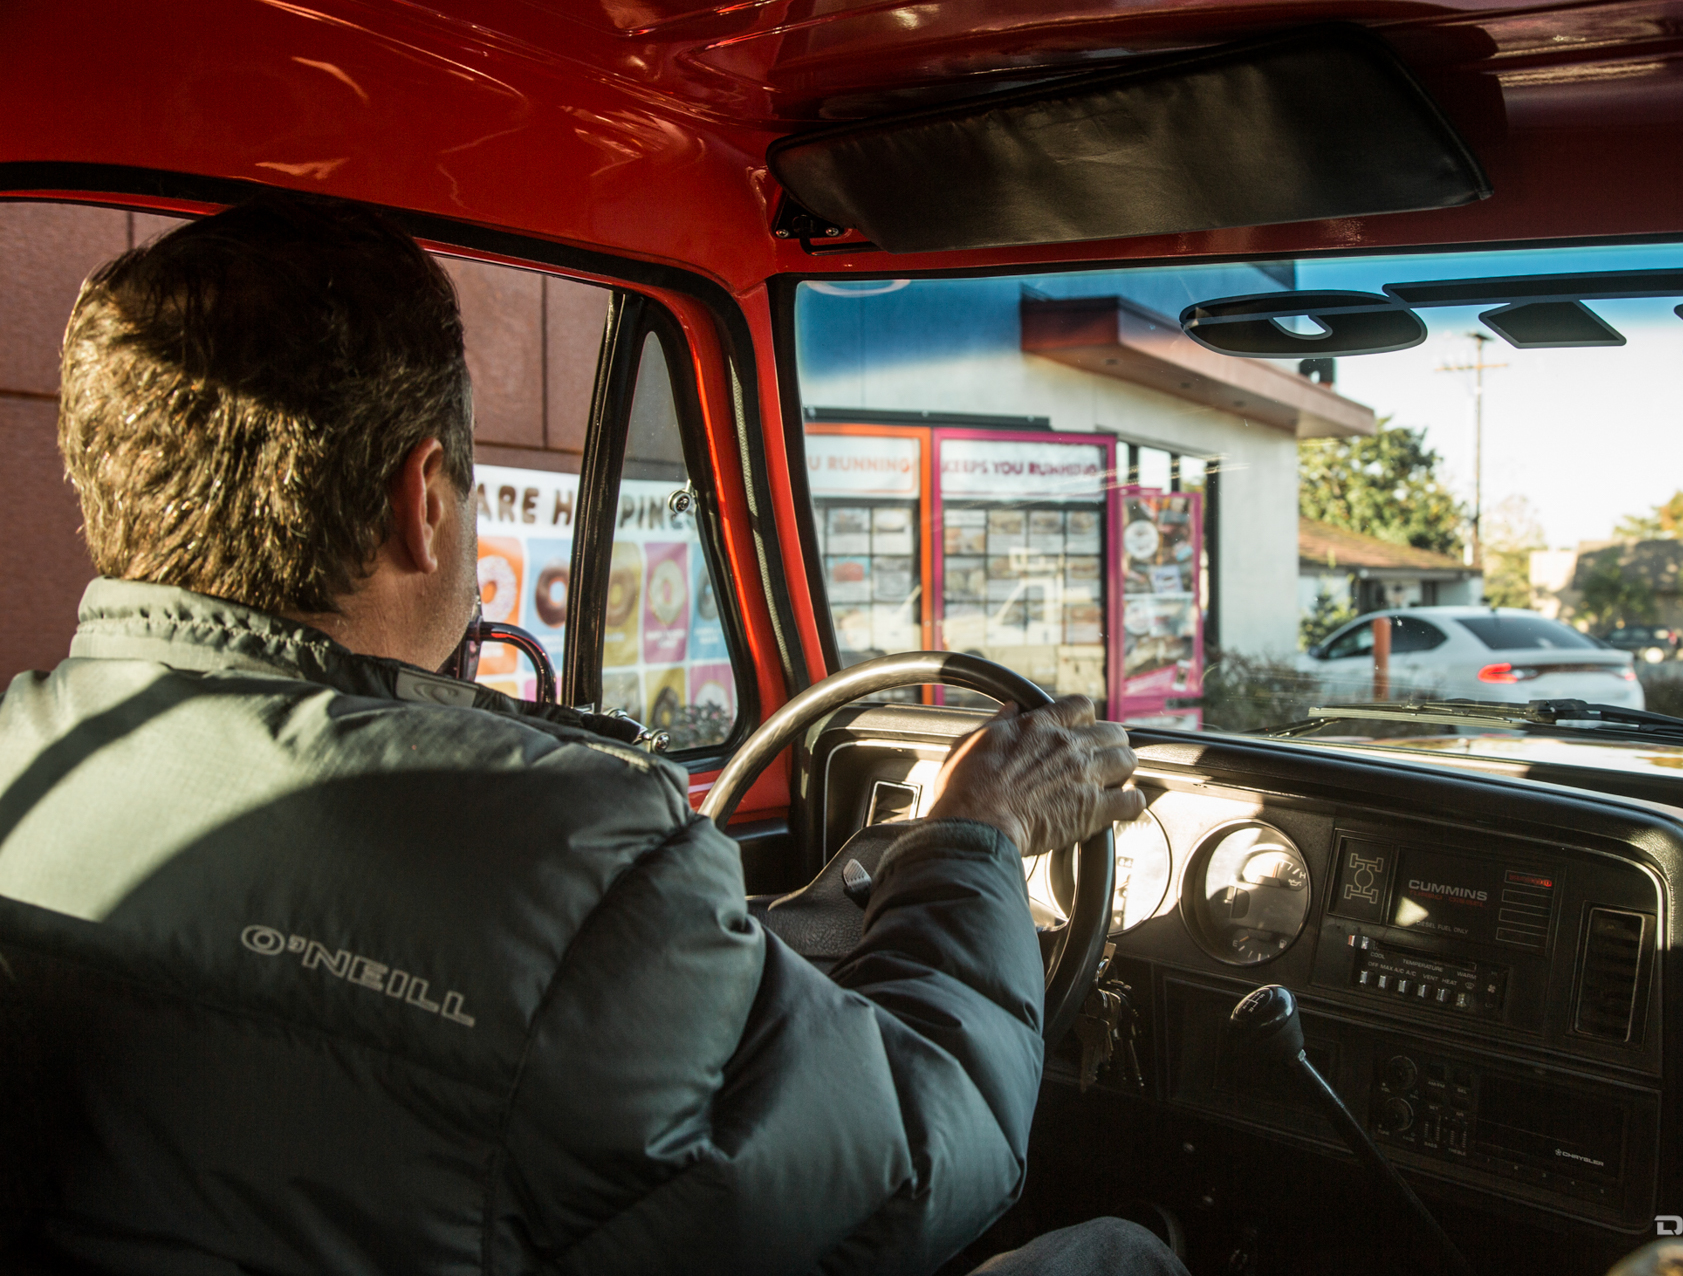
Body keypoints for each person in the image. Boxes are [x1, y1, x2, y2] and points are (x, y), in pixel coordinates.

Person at [0, 196, 1188, 1276]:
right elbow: (936, 1146)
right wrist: (977, 830)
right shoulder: (567, 852)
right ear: (424, 501)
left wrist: (792, 925)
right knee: (1122, 1254)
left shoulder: (27, 755)